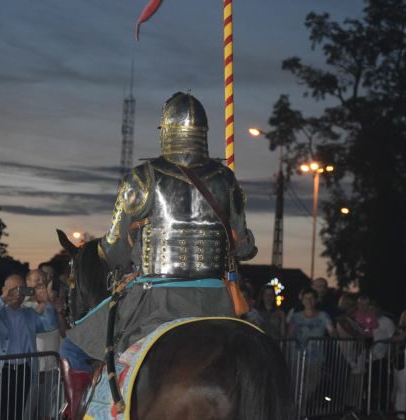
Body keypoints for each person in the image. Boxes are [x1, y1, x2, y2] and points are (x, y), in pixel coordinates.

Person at [58, 92, 257, 412]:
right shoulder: (226, 179)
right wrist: (235, 240)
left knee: (72, 347)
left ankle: (80, 411)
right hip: (218, 301)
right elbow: (245, 248)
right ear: (203, 135)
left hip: (156, 301)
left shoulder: (142, 178)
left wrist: (131, 239)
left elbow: (113, 254)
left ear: (165, 131)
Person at [0, 274, 57, 420]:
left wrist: (47, 303)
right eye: (14, 289)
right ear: (4, 289)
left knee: (16, 414)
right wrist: (2, 300)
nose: (18, 293)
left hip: (22, 370)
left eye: (21, 289)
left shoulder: (29, 313)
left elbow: (49, 325)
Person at [22, 269, 61, 418]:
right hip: (32, 369)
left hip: (52, 367)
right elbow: (40, 326)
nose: (40, 283)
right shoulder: (23, 305)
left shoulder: (50, 303)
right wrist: (45, 303)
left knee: (47, 412)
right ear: (28, 283)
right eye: (37, 280)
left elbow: (56, 326)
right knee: (27, 411)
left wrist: (49, 303)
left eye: (43, 280)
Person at [288, 289, 335, 412]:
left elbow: (332, 332)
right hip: (297, 357)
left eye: (311, 298)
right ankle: (298, 412)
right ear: (302, 300)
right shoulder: (295, 316)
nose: (308, 301)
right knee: (296, 386)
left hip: (316, 357)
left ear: (316, 300)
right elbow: (288, 336)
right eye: (306, 298)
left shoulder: (323, 316)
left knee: (310, 386)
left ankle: (299, 410)